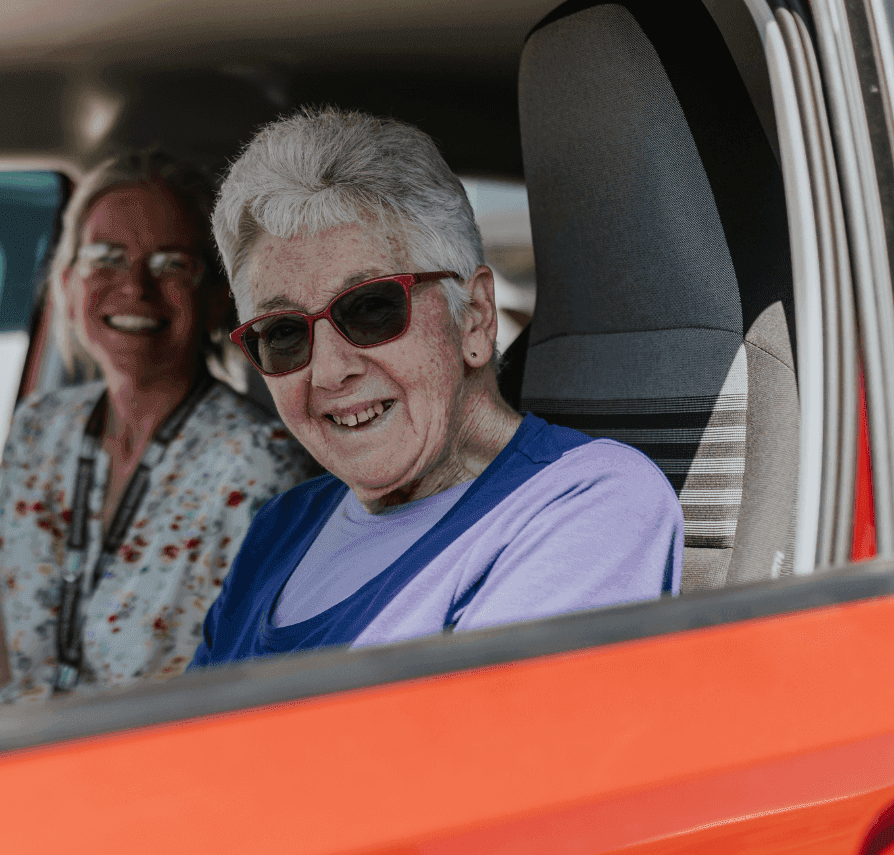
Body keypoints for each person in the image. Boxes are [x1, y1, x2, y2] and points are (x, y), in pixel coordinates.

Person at [192, 108, 683, 666]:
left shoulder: (588, 505)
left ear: (473, 317)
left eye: (371, 308)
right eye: (282, 333)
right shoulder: (280, 529)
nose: (329, 371)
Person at [0, 151, 317, 705]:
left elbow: (246, 704)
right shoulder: (40, 431)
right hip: (13, 758)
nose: (136, 287)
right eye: (106, 257)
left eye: (172, 264)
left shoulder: (258, 465)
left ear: (216, 301)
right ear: (68, 284)